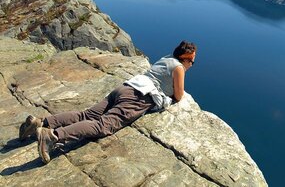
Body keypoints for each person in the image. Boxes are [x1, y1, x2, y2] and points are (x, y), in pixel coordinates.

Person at [18, 40, 197, 164]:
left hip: (126, 87)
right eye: (192, 62)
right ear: (186, 58)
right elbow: (179, 95)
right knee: (102, 126)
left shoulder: (167, 58)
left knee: (87, 114)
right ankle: (52, 136)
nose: (192, 65)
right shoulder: (180, 67)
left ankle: (40, 123)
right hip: (138, 98)